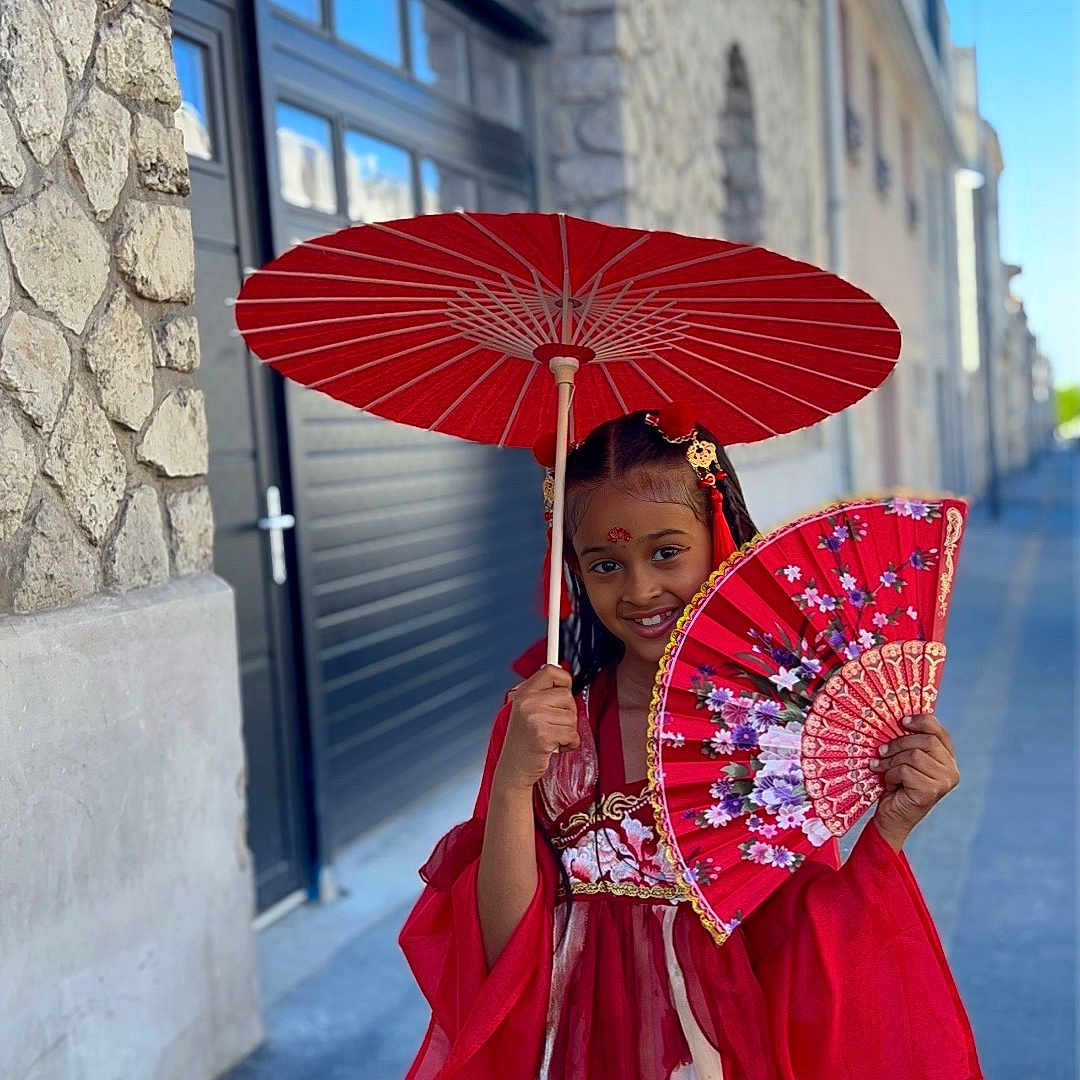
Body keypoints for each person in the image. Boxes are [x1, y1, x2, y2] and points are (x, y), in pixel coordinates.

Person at [398, 404, 984, 1080]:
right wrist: (511, 781)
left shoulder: (774, 727)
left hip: (724, 1045)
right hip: (576, 1046)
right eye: (605, 564)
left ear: (718, 533)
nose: (642, 588)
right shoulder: (543, 722)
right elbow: (500, 952)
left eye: (666, 551)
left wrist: (889, 832)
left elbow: (801, 944)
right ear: (575, 572)